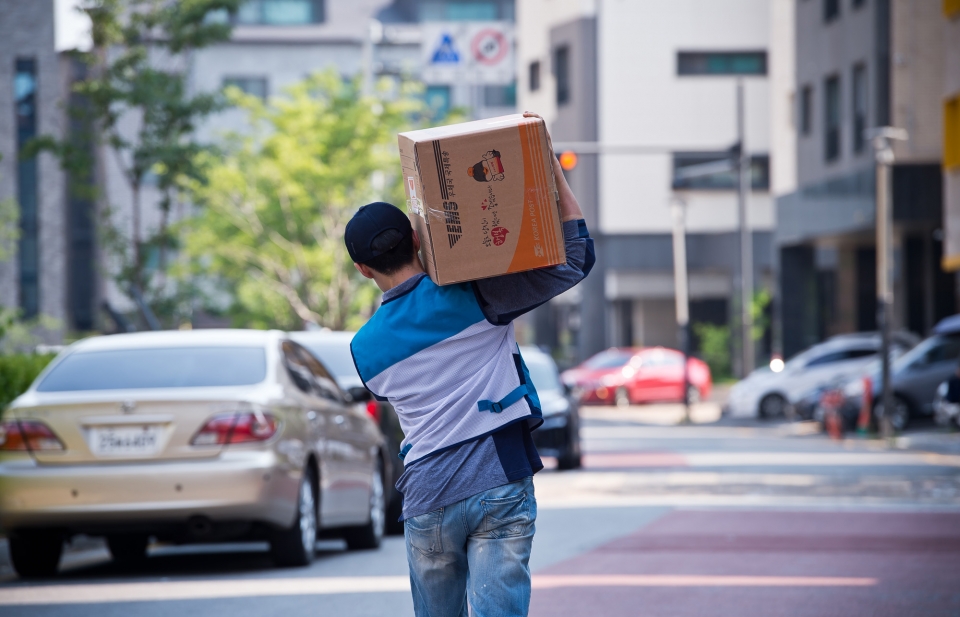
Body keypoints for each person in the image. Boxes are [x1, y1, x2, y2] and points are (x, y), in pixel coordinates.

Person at [346, 113, 594, 617]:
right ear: (416, 239)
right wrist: (546, 164)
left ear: (362, 269)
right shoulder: (477, 295)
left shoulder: (364, 351)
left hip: (426, 497)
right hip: (497, 479)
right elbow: (575, 259)